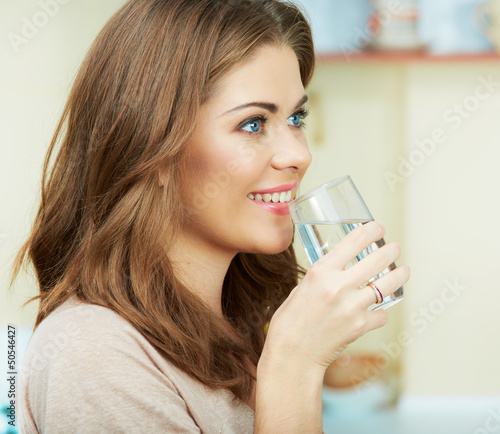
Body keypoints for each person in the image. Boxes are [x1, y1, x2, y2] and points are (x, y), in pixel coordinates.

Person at [14, 0, 410, 432]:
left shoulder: (233, 331)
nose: (301, 153)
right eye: (254, 124)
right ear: (154, 151)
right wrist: (295, 365)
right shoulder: (96, 356)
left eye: (296, 117)